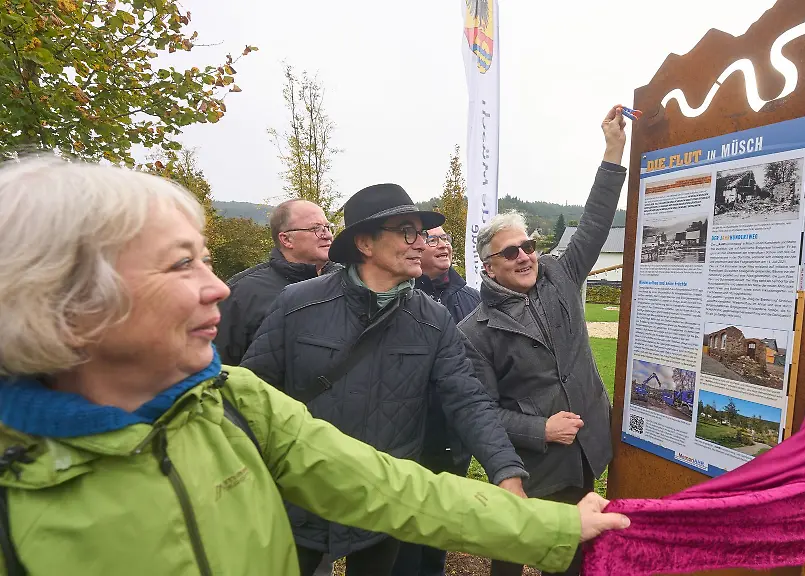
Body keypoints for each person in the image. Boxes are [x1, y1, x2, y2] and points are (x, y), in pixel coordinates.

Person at [0, 157, 630, 576]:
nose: (217, 287)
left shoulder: (231, 405)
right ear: (71, 298)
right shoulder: (297, 309)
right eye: (180, 263)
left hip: (382, 521)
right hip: (302, 514)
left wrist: (523, 498)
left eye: (206, 261)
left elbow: (404, 476)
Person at [241, 185, 532, 576]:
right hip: (300, 495)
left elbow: (468, 400)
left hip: (384, 501)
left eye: (422, 232)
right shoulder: (297, 304)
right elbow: (250, 393)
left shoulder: (434, 321)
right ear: (365, 243)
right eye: (407, 232)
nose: (421, 243)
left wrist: (506, 471)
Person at [458, 106, 627, 576]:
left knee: (575, 556)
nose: (525, 256)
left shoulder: (560, 276)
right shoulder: (474, 331)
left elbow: (594, 223)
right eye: (511, 252)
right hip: (532, 464)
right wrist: (541, 430)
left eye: (529, 246)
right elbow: (480, 412)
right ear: (489, 267)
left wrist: (613, 150)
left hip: (586, 448)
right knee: (513, 552)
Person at [392, 228, 481, 576]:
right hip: (406, 432)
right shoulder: (399, 296)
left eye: (446, 239)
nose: (443, 244)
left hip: (452, 434)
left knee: (439, 520)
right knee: (403, 523)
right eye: (433, 239)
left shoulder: (472, 299)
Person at [215, 199, 340, 365]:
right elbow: (219, 366)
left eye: (328, 227)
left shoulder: (345, 282)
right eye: (316, 228)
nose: (328, 235)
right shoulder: (241, 293)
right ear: (286, 239)